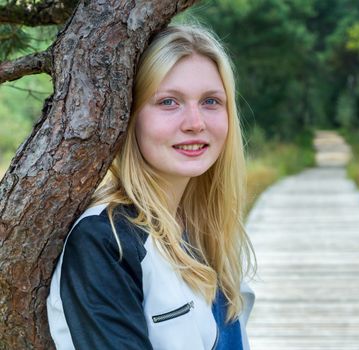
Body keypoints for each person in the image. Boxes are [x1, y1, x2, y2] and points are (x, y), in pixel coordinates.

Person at [47, 23, 256, 350]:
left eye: (211, 101)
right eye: (169, 102)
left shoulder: (204, 232)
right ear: (130, 116)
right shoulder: (105, 242)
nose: (195, 123)